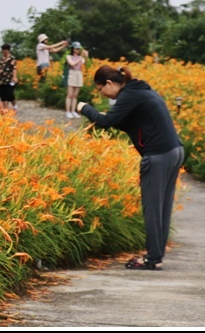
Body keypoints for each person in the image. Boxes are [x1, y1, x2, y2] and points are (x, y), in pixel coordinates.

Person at [77, 65, 184, 271]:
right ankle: (156, 256)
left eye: (100, 90)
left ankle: (153, 259)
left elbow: (106, 122)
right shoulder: (140, 90)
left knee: (152, 209)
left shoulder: (129, 94)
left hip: (158, 155)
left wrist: (85, 108)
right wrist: (102, 115)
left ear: (109, 84)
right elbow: (124, 122)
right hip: (174, 150)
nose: (103, 94)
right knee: (162, 208)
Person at [65, 41, 88, 118]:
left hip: (79, 74)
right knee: (70, 95)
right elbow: (72, 64)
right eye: (76, 49)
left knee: (75, 95)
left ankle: (73, 111)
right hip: (72, 74)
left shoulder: (80, 58)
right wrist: (81, 57)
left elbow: (84, 64)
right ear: (73, 49)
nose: (78, 50)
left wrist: (86, 56)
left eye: (79, 49)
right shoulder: (69, 56)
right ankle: (68, 111)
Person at [0, 43, 18, 111]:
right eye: (3, 50)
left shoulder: (12, 58)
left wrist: (14, 77)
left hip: (10, 78)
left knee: (9, 93)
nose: (4, 51)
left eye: (5, 50)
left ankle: (15, 106)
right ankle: (6, 108)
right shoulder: (1, 59)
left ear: (8, 50)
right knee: (3, 94)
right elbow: (0, 68)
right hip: (2, 79)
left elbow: (14, 68)